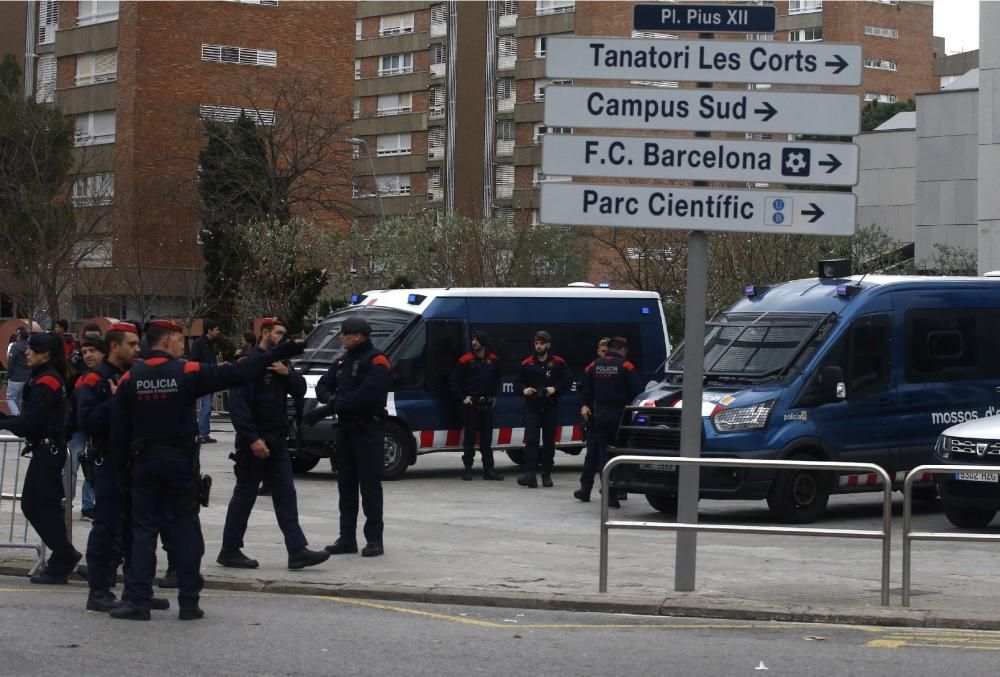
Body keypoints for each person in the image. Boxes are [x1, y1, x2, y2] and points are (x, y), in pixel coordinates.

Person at [108, 319, 304, 621]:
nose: (183, 345)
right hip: (180, 464)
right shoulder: (186, 372)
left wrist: (122, 474)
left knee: (143, 531)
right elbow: (239, 373)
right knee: (185, 528)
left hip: (144, 464)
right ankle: (189, 601)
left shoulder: (130, 378)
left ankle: (138, 600)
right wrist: (282, 351)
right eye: (179, 339)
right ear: (167, 341)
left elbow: (118, 432)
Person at [218, 318, 329, 571]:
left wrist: (286, 373)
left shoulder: (282, 364)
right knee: (245, 495)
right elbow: (238, 407)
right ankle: (230, 550)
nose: (282, 337)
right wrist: (252, 438)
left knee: (286, 495)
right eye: (278, 333)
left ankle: (297, 550)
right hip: (254, 442)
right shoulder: (248, 364)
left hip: (277, 440)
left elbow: (300, 390)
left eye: (284, 333)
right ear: (265, 333)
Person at [77, 324, 171, 612]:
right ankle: (99, 590)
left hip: (136, 462)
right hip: (109, 462)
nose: (137, 349)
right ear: (114, 346)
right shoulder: (92, 381)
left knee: (136, 528)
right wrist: (116, 400)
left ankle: (136, 588)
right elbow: (88, 422)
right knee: (106, 527)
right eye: (131, 344)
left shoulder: (132, 376)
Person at [0, 332, 79, 583]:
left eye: (33, 349)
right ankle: (61, 557)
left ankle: (64, 555)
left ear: (45, 353)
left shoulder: (47, 381)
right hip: (45, 450)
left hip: (48, 451)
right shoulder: (44, 378)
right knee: (38, 506)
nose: (27, 352)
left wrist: (4, 421)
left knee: (38, 507)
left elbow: (30, 422)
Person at [309, 316, 391, 558]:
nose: (341, 338)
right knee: (346, 487)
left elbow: (366, 397)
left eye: (344, 334)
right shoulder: (342, 360)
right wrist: (333, 401)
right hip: (345, 431)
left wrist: (332, 405)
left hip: (368, 431)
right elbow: (323, 385)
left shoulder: (377, 361)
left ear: (358, 335)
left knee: (370, 487)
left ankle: (374, 539)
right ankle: (347, 538)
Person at [576, 336, 643, 507]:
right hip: (620, 417)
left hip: (597, 416)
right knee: (616, 456)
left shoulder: (594, 365)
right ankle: (611, 494)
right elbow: (637, 392)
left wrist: (585, 405)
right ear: (623, 350)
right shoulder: (626, 366)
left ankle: (585, 489)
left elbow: (584, 388)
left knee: (595, 454)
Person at [515, 330, 570, 489]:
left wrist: (554, 389)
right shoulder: (527, 363)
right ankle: (530, 474)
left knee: (549, 442)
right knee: (531, 441)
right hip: (532, 407)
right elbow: (517, 383)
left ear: (548, 345)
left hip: (550, 406)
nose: (538, 346)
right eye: (536, 343)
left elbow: (567, 381)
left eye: (541, 343)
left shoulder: (558, 362)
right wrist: (524, 390)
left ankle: (546, 474)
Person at [449, 330, 503, 481]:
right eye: (473, 340)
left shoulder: (493, 360)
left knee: (487, 441)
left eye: (477, 340)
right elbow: (454, 381)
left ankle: (489, 470)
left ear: (483, 343)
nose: (474, 343)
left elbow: (498, 379)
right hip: (471, 405)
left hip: (486, 405)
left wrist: (493, 395)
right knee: (469, 440)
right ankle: (467, 469)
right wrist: (462, 398)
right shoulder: (465, 360)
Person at [68, 326, 102, 520]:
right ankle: (66, 500)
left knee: (92, 466)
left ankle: (89, 505)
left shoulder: (107, 373)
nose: (88, 354)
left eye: (93, 348)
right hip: (78, 424)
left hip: (96, 426)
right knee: (71, 463)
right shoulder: (75, 365)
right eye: (85, 350)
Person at [189, 320, 221, 444]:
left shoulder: (212, 344)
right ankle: (201, 434)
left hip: (211, 377)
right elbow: (193, 360)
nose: (218, 332)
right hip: (202, 378)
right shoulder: (199, 344)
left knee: (208, 408)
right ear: (209, 330)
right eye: (216, 329)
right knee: (206, 406)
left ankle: (205, 433)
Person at [6, 328, 30, 416]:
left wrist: (9, 375)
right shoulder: (30, 347)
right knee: (21, 399)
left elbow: (11, 364)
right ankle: (22, 416)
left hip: (15, 377)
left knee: (10, 398)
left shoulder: (14, 347)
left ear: (20, 337)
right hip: (27, 377)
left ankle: (17, 416)